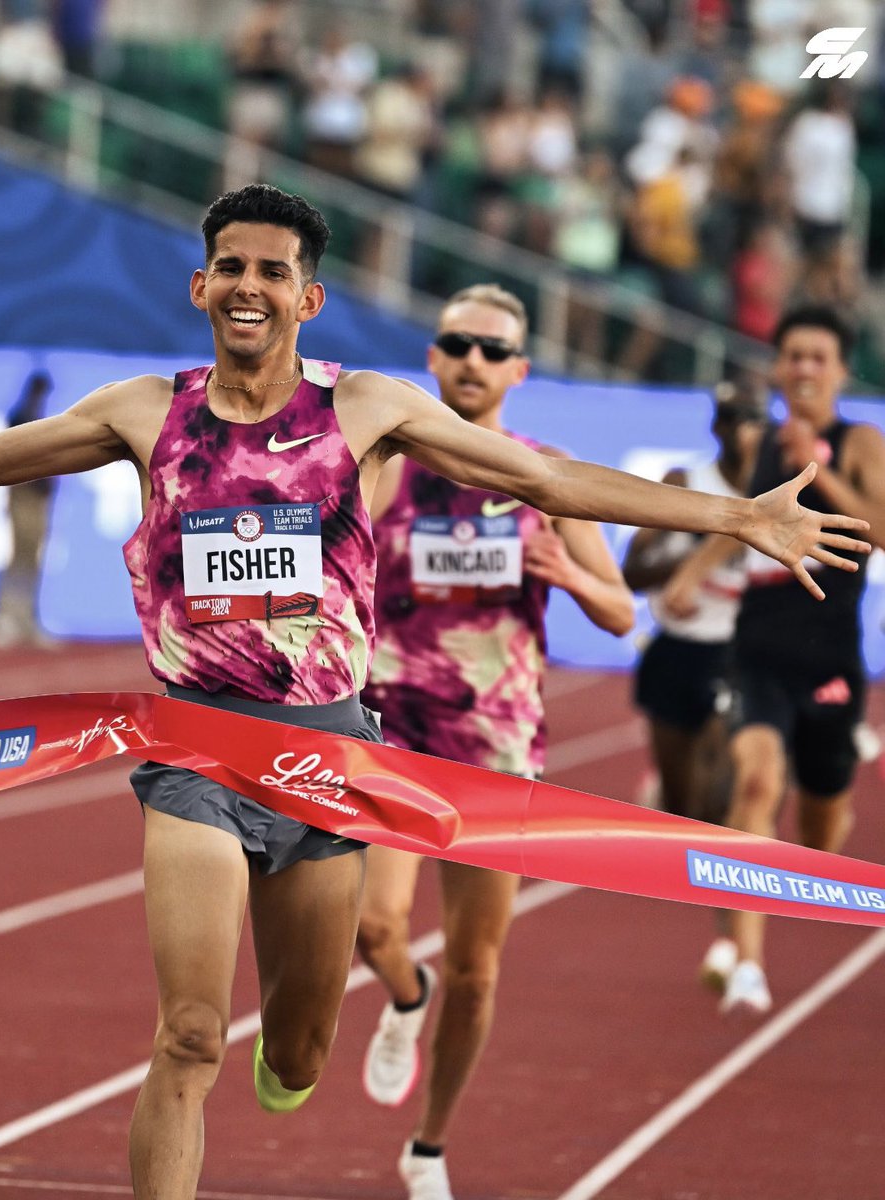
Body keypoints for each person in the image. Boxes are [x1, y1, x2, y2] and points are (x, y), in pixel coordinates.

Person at [0, 188, 869, 1200]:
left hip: (327, 756)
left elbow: (546, 482)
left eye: (272, 271)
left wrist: (731, 517)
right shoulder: (146, 411)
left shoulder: (362, 411)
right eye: (231, 267)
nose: (249, 286)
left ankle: (289, 1055)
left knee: (299, 1050)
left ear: (309, 298)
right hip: (196, 750)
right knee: (191, 1033)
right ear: (201, 285)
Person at [355, 283, 635, 1200]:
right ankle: (404, 991)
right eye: (455, 343)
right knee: (373, 925)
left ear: (518, 370)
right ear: (432, 359)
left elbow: (622, 611)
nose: (471, 361)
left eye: (491, 349)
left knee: (476, 972)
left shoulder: (545, 476)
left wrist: (567, 571)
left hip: (497, 752)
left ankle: (429, 1147)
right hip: (394, 733)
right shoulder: (388, 465)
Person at [662, 304, 885, 1016]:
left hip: (827, 658)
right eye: (794, 356)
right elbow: (742, 522)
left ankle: (794, 880)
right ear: (779, 366)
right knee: (754, 783)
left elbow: (881, 532)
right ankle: (748, 963)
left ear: (841, 368)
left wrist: (814, 462)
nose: (806, 369)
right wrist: (692, 572)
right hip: (757, 651)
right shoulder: (762, 444)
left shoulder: (857, 440)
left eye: (820, 357)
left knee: (821, 827)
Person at [623, 378, 767, 990]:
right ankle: (667, 792)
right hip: (676, 651)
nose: (746, 429)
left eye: (755, 417)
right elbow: (633, 571)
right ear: (717, 429)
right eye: (734, 418)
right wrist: (692, 559)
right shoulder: (686, 485)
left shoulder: (778, 496)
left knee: (720, 793)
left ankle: (730, 941)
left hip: (735, 656)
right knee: (683, 806)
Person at [0, 366, 57, 647]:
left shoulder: (40, 418)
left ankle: (27, 618)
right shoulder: (18, 417)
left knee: (33, 558)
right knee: (17, 556)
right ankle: (4, 616)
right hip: (22, 496)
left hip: (38, 498)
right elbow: (8, 459)